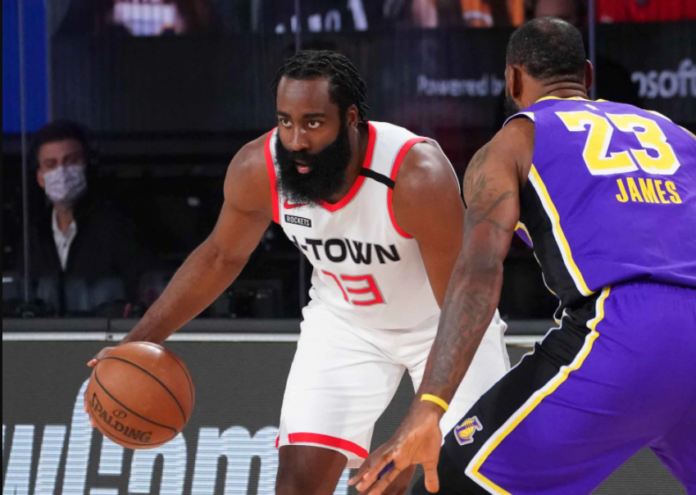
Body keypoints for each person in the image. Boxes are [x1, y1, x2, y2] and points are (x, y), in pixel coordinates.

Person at [85, 50, 510, 494]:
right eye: (285, 121)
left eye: (313, 123)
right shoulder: (259, 168)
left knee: (465, 479)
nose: (296, 140)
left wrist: (418, 421)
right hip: (346, 325)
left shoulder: (416, 176)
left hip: (444, 325)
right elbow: (219, 257)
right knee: (297, 485)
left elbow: (462, 300)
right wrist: (136, 344)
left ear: (350, 119)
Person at [350, 17, 696, 495]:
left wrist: (429, 407)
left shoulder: (513, 143)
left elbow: (478, 272)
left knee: (451, 481)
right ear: (587, 76)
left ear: (512, 80)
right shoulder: (676, 135)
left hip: (620, 330)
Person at [29, 120, 150, 316]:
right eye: (51, 164)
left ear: (87, 166)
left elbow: (142, 296)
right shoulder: (34, 235)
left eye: (71, 161)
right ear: (40, 178)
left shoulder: (117, 227)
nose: (62, 172)